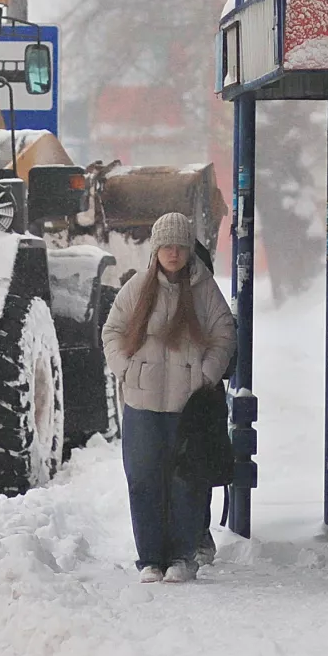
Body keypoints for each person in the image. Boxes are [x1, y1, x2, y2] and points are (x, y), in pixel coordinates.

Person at [102, 212, 236, 584]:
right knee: (143, 478)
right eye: (166, 246)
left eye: (179, 246)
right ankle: (149, 558)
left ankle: (182, 555)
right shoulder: (137, 289)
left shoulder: (204, 288)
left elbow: (224, 333)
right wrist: (125, 367)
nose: (173, 253)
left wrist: (206, 374)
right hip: (142, 403)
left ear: (189, 249)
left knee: (185, 480)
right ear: (156, 249)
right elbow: (112, 331)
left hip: (186, 405)